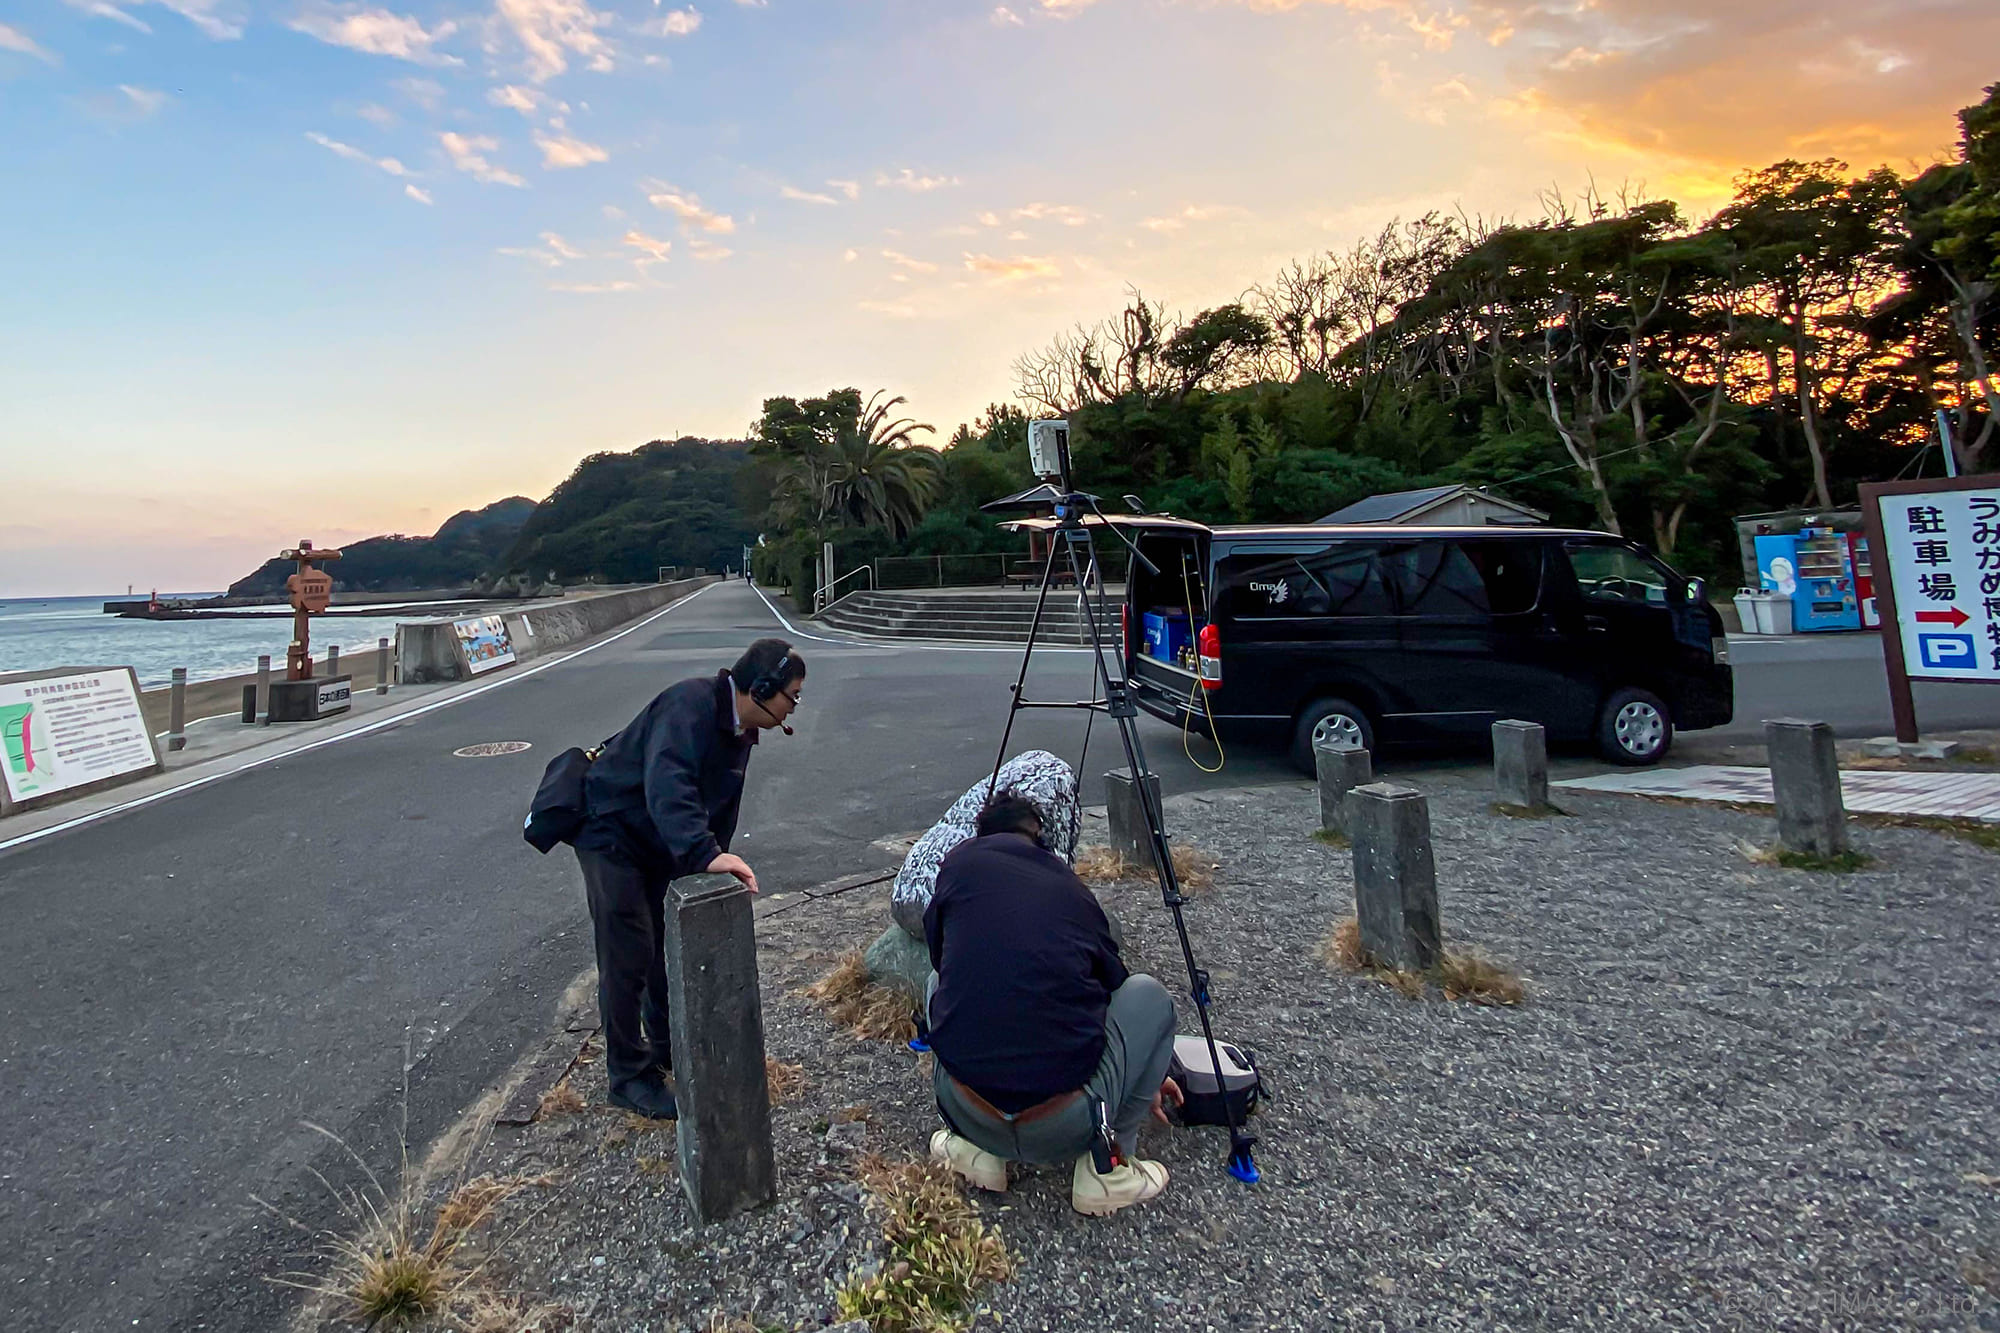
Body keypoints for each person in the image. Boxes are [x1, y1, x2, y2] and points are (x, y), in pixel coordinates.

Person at [571, 637, 804, 1119]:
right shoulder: (690, 706)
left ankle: (666, 1048)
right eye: (792, 695)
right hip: (610, 829)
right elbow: (668, 782)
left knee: (662, 943)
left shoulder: (738, 728)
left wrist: (711, 860)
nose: (794, 706)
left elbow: (718, 805)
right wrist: (703, 852)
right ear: (761, 688)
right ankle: (628, 1077)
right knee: (628, 952)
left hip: (653, 838)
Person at [923, 791, 1183, 1216]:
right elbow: (1112, 988)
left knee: (938, 981)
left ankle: (977, 1150)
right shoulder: (1070, 887)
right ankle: (1108, 1167)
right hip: (1065, 1122)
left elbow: (939, 957)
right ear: (1038, 834)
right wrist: (1147, 1069)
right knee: (1149, 995)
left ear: (983, 830)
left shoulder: (957, 863)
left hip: (962, 1105)